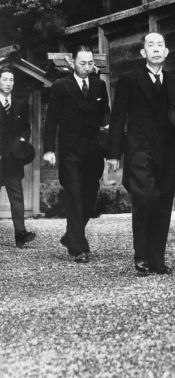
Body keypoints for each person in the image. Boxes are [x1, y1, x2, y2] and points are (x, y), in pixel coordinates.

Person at [107, 32, 175, 276]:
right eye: (151, 45)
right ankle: (141, 256)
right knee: (145, 198)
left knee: (163, 202)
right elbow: (118, 117)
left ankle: (157, 259)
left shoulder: (174, 81)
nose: (156, 49)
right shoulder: (130, 80)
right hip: (139, 150)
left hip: (169, 152)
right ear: (143, 53)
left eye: (160, 45)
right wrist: (113, 153)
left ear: (166, 51)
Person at [43, 45, 110, 264]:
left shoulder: (100, 86)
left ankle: (70, 235)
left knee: (90, 197)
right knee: (74, 196)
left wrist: (109, 145)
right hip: (70, 151)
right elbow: (51, 119)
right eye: (83, 63)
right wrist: (49, 149)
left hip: (93, 152)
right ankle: (79, 248)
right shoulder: (61, 86)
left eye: (91, 63)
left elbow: (105, 116)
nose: (87, 67)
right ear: (73, 63)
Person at [0, 65, 36, 249]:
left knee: (17, 198)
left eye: (11, 80)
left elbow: (26, 128)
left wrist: (21, 141)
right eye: (4, 79)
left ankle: (21, 235)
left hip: (13, 159)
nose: (8, 83)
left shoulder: (20, 104)